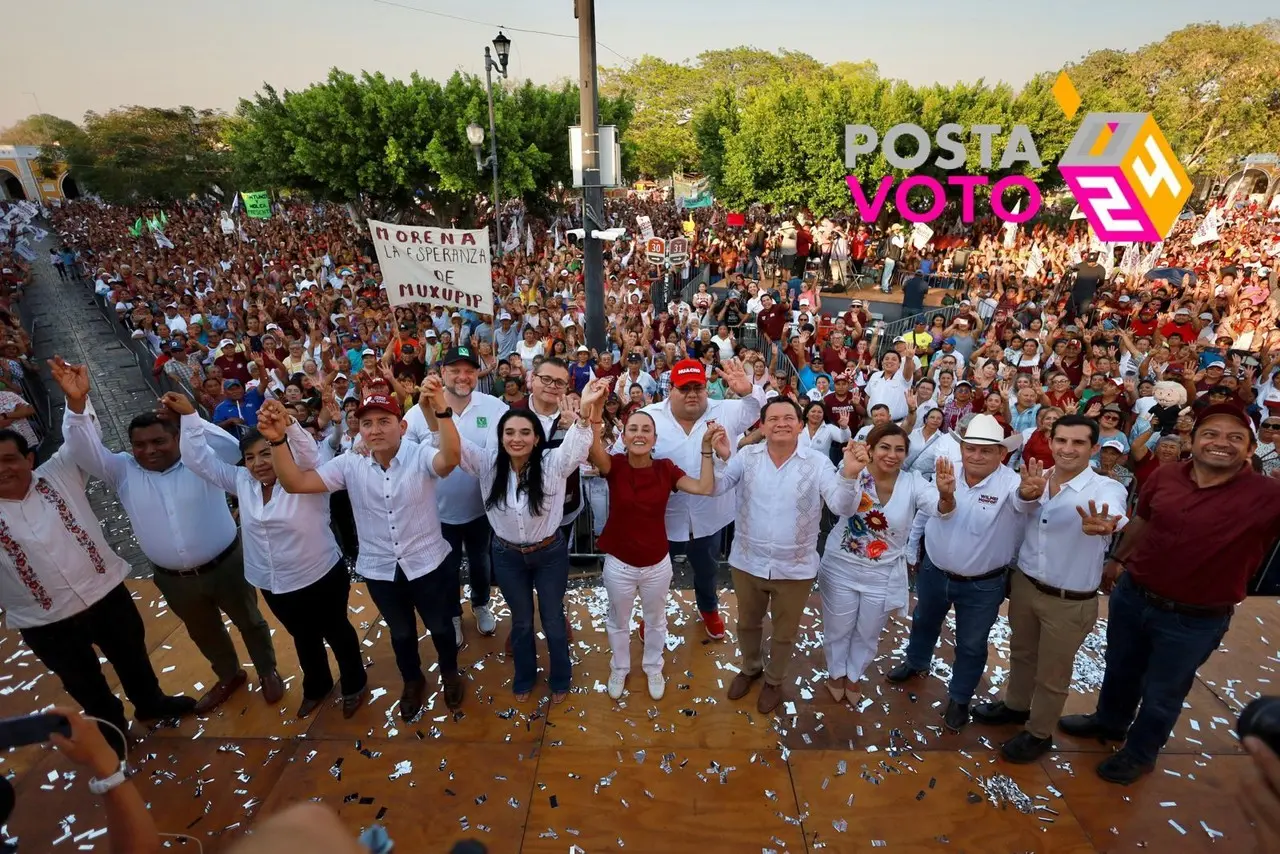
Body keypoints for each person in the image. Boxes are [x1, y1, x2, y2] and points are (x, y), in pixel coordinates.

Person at [1059, 403, 1280, 784]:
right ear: (1192, 440)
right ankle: (1109, 722)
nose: (1220, 443)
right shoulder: (1166, 477)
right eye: (1210, 434)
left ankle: (1140, 754)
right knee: (1120, 667)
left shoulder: (1268, 496)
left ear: (1249, 449)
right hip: (1135, 595)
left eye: (1235, 437)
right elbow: (1143, 519)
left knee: (1164, 691)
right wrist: (1116, 559)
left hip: (1195, 617)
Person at [50, 357, 282, 714]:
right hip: (174, 579)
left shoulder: (200, 461)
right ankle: (229, 674)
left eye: (158, 441)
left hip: (227, 564)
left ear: (177, 438)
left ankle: (267, 670)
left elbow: (228, 446)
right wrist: (78, 406)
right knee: (203, 631)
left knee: (250, 619)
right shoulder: (122, 470)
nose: (149, 450)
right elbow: (84, 451)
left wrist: (190, 418)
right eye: (139, 444)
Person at [0, 413, 197, 759]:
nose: (3, 469)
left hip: (105, 594)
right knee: (84, 684)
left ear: (29, 459)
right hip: (45, 621)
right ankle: (112, 732)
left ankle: (151, 704)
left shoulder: (58, 473)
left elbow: (80, 439)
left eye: (9, 459)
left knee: (133, 658)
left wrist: (76, 403)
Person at [267, 376, 464, 720]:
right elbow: (295, 482)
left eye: (384, 421)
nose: (375, 430)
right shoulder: (349, 463)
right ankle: (412, 680)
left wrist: (443, 412)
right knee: (401, 633)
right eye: (367, 423)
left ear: (401, 426)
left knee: (442, 626)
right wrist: (278, 441)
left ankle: (449, 672)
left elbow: (450, 459)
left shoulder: (419, 456)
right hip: (381, 569)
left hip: (428, 563)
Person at [171, 394, 368, 720]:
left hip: (319, 574)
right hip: (273, 581)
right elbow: (199, 461)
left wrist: (286, 426)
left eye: (267, 453)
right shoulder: (242, 482)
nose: (259, 463)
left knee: (336, 630)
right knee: (303, 636)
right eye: (250, 457)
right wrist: (191, 417)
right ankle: (317, 685)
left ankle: (354, 683)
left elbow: (306, 452)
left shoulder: (306, 477)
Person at [971, 415, 1128, 762]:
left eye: (1078, 443)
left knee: (1053, 672)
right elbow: (1019, 509)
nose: (1068, 449)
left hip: (1068, 600)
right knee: (1023, 653)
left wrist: (1105, 525)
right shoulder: (1035, 480)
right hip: (1026, 586)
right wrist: (1026, 496)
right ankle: (1015, 706)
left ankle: (1039, 733)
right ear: (1051, 441)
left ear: (1094, 448)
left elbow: (1113, 513)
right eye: (1061, 441)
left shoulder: (1105, 489)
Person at [452, 378, 606, 703]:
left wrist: (585, 413)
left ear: (536, 439)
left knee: (552, 619)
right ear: (501, 438)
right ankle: (524, 676)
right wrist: (439, 411)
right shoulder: (488, 466)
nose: (516, 439)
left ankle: (561, 678)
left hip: (549, 555)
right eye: (509, 433)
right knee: (520, 621)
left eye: (524, 433)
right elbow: (457, 448)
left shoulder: (552, 464)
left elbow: (577, 447)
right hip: (507, 557)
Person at [714, 398, 866, 714]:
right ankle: (751, 668)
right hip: (748, 561)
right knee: (747, 624)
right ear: (763, 425)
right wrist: (718, 455)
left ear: (799, 425)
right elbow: (719, 487)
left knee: (784, 632)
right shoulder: (747, 457)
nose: (781, 423)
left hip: (795, 566)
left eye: (788, 418)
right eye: (773, 418)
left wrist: (849, 475)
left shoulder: (818, 463)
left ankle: (773, 680)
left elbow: (842, 507)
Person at [887, 414, 1031, 731]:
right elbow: (926, 514)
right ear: (962, 449)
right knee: (924, 620)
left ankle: (960, 697)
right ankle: (916, 661)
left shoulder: (1013, 484)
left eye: (986, 450)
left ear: (1001, 454)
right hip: (935, 571)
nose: (976, 456)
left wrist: (1029, 494)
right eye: (971, 449)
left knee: (971, 643)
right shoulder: (946, 472)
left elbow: (1024, 504)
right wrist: (912, 547)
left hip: (983, 583)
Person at [589, 405, 725, 701]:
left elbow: (703, 487)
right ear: (623, 437)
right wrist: (596, 413)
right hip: (620, 564)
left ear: (654, 437)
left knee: (656, 620)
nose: (639, 434)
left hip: (656, 564)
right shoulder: (614, 465)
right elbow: (592, 448)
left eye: (645, 429)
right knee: (618, 621)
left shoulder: (666, 468)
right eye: (633, 429)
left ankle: (653, 666)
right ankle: (620, 667)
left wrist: (705, 449)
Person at [818, 424, 949, 705]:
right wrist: (850, 474)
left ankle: (854, 675)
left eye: (899, 449)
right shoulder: (854, 471)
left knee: (868, 631)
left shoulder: (913, 482)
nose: (892, 455)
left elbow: (940, 509)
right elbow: (840, 508)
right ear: (872, 448)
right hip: (841, 565)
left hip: (883, 572)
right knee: (838, 627)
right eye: (885, 447)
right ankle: (836, 672)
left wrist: (947, 495)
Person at [635, 358, 764, 639]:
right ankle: (652, 617)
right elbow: (625, 451)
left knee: (707, 570)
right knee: (656, 575)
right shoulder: (649, 416)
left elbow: (755, 408)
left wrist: (747, 389)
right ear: (671, 390)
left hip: (710, 516)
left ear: (707, 389)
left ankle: (708, 609)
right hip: (663, 518)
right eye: (685, 388)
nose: (692, 394)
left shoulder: (727, 410)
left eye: (698, 387)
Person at [405, 346, 508, 643]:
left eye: (469, 371)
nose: (463, 377)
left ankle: (480, 604)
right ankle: (452, 613)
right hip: (436, 513)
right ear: (441, 374)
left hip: (480, 510)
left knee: (480, 562)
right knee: (446, 569)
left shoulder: (494, 407)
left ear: (477, 374)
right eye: (455, 371)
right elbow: (402, 453)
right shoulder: (416, 414)